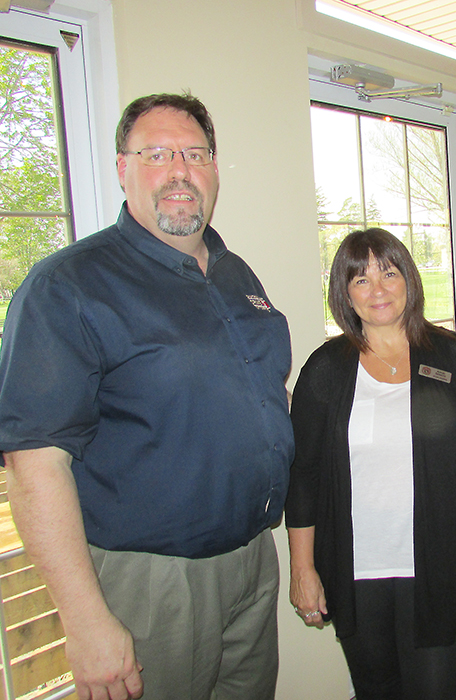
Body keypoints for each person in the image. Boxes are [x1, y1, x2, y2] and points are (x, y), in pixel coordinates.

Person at [0, 93, 294, 700]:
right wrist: (83, 621)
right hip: (153, 580)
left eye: (194, 153)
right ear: (122, 168)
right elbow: (34, 465)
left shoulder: (236, 273)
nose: (179, 170)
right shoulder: (68, 285)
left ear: (214, 167)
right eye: (156, 153)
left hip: (252, 560)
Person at [285, 228, 456, 700]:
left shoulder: (454, 356)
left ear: (408, 277)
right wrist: (302, 570)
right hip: (355, 572)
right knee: (375, 692)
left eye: (388, 272)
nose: (378, 289)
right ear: (345, 294)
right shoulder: (325, 369)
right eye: (360, 280)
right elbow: (303, 477)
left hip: (437, 568)